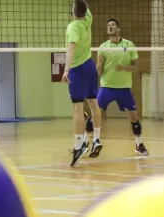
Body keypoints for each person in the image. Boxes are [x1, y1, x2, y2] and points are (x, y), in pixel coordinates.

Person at [94, 18, 149, 157]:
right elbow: (99, 70)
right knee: (96, 113)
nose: (110, 27)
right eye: (108, 26)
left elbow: (138, 67)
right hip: (107, 87)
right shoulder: (103, 47)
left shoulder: (128, 44)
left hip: (124, 88)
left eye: (113, 25)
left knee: (134, 118)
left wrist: (124, 67)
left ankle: (139, 144)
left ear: (118, 29)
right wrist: (97, 70)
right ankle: (92, 141)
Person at [63, 0, 102, 167]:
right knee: (94, 103)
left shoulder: (72, 27)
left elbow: (70, 49)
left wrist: (66, 71)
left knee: (78, 108)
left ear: (73, 11)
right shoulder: (88, 19)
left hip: (78, 69)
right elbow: (84, 7)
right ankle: (97, 139)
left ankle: (79, 146)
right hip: (90, 66)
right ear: (85, 12)